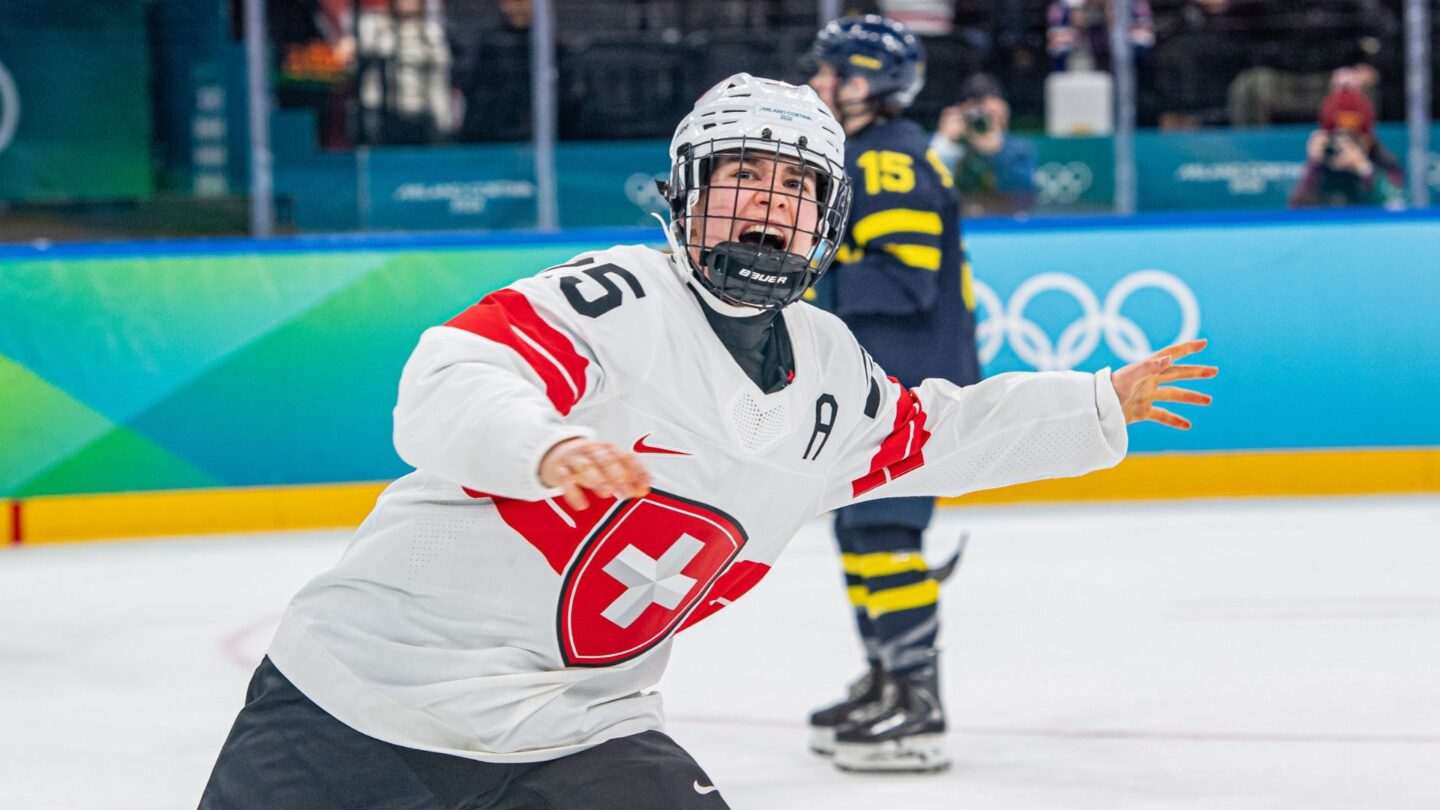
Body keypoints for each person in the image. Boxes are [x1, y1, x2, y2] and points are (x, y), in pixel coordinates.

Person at [199, 73, 1215, 809]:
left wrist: (1091, 406)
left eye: (796, 189)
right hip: (356, 699)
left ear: (826, 220)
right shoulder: (615, 297)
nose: (769, 205)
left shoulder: (828, 367)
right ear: (684, 196)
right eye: (744, 179)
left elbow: (931, 434)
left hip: (576, 727)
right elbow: (451, 378)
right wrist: (541, 448)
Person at [803, 14, 979, 774]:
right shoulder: (864, 155)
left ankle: (918, 701)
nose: (819, 84)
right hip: (877, 383)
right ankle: (887, 681)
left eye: (833, 73)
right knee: (859, 533)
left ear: (869, 82)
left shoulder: (888, 161)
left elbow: (906, 277)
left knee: (884, 536)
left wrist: (800, 281)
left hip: (905, 386)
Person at [931, 73, 1038, 218]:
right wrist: (944, 144)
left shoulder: (1019, 148)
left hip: (1006, 221)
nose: (982, 120)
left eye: (990, 114)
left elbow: (1024, 194)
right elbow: (929, 190)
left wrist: (995, 150)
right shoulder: (947, 145)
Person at [1288, 85, 1404, 209]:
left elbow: (1396, 207)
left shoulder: (1384, 161)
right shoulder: (1322, 165)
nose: (1343, 147)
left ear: (1367, 140)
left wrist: (1364, 169)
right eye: (1337, 138)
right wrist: (1314, 165)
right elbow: (1296, 210)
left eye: (1352, 139)